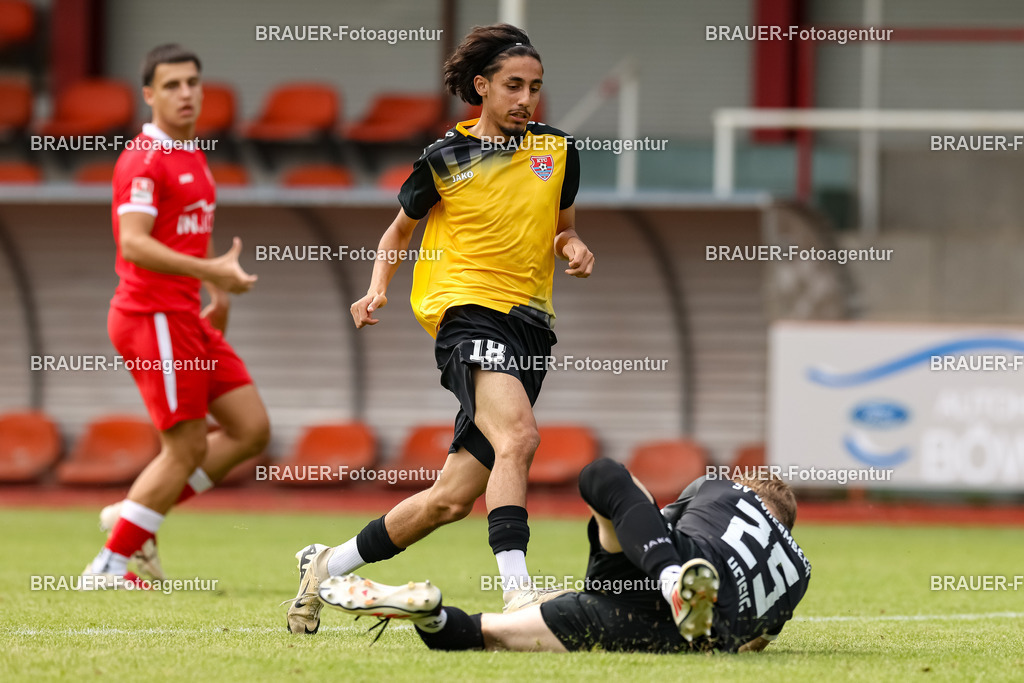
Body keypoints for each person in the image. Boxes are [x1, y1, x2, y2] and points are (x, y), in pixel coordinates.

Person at [286, 23, 594, 632]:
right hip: (466, 315)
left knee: (449, 499)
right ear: (481, 87)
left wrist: (574, 246)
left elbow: (563, 226)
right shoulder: (443, 158)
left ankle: (326, 564)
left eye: (534, 87)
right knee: (521, 438)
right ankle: (518, 594)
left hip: (531, 325)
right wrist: (377, 288)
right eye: (512, 85)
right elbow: (398, 231)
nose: (525, 98)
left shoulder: (556, 150)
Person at [82, 44, 269, 586]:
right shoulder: (142, 160)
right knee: (185, 447)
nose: (185, 93)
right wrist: (211, 267)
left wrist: (216, 287)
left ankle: (132, 517)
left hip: (186, 314)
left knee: (251, 429)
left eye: (192, 82)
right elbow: (135, 244)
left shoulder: (192, 154)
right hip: (152, 315)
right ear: (149, 95)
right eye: (171, 85)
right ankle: (109, 565)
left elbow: (189, 231)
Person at [317, 459, 812, 654]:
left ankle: (669, 578)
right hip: (682, 637)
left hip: (663, 570)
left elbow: (650, 516)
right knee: (486, 635)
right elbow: (754, 645)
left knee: (606, 478)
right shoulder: (800, 570)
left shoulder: (723, 488)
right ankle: (435, 618)